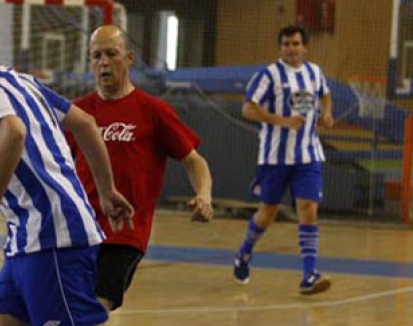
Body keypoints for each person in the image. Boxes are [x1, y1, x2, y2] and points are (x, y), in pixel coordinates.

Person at [0, 5, 134, 326]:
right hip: (25, 243)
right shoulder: (20, 81)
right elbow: (86, 123)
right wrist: (106, 190)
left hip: (53, 242)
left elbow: (13, 132)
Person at [67, 25, 214, 312]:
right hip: (80, 231)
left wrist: (204, 195)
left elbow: (194, 160)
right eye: (96, 56)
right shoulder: (76, 113)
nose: (104, 62)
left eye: (111, 54)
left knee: (93, 307)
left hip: (125, 233)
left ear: (130, 58)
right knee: (64, 309)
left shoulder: (153, 111)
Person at [232, 25, 333, 295]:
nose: (291, 48)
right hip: (275, 156)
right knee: (268, 213)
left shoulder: (315, 72)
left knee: (309, 208)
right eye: (287, 43)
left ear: (305, 47)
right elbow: (247, 108)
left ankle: (309, 274)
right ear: (280, 48)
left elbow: (325, 93)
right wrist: (281, 121)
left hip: (308, 155)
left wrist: (327, 113)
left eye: (296, 43)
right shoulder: (268, 75)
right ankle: (244, 252)